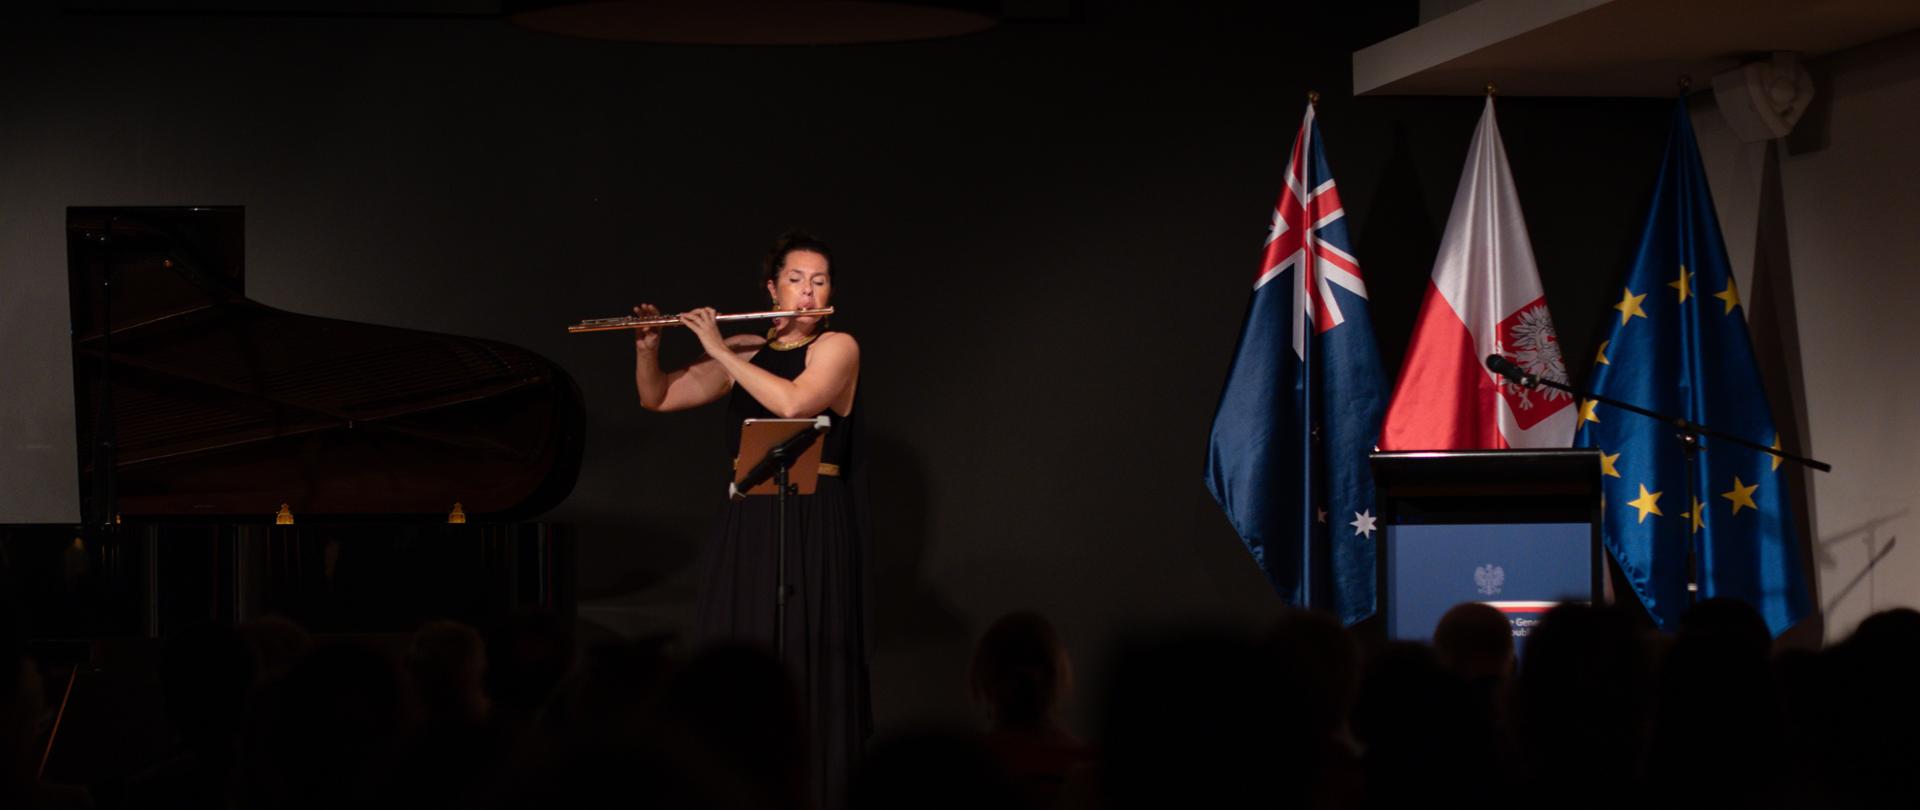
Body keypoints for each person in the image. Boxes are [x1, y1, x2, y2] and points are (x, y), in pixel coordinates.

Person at [633, 230, 870, 810]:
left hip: (812, 513)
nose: (808, 293)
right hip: (749, 515)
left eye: (819, 282)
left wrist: (717, 350)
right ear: (771, 286)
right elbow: (658, 397)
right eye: (796, 279)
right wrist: (647, 348)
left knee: (802, 647)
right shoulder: (743, 346)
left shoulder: (838, 347)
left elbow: (793, 404)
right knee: (738, 645)